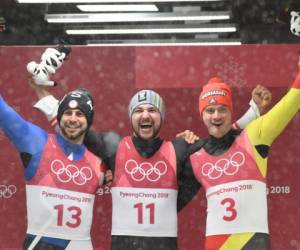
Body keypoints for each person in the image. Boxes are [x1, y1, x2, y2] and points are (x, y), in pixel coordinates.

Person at [28, 48, 271, 250]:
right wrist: (40, 89)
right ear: (131, 117)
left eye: (152, 110)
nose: (145, 115)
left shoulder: (179, 148)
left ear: (161, 117)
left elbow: (222, 136)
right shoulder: (114, 146)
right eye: (139, 110)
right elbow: (72, 125)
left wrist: (253, 111)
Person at [185, 59, 300, 250]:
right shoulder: (194, 154)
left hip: (254, 243)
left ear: (230, 111)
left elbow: (293, 100)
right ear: (202, 115)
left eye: (222, 109)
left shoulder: (254, 136)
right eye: (210, 110)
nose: (216, 116)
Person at [0, 88, 107, 250]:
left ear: (88, 121)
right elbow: (3, 113)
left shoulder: (99, 164)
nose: (72, 119)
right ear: (59, 116)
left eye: (79, 114)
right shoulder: (37, 143)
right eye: (67, 113)